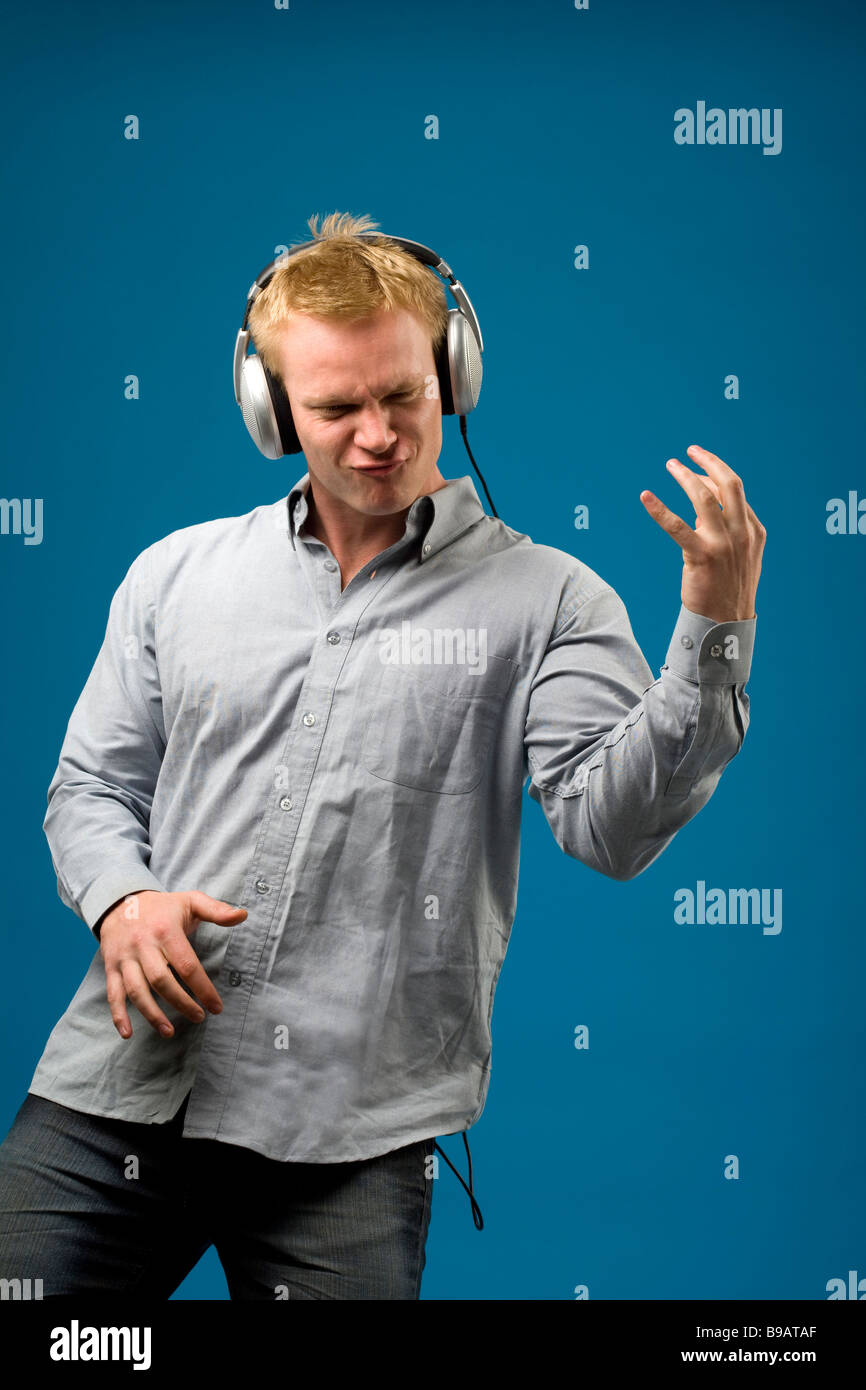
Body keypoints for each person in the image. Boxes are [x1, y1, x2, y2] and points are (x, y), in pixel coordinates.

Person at [0, 211, 765, 1301]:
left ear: (450, 375)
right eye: (335, 406)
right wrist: (122, 902)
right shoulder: (173, 575)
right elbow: (92, 786)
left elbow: (608, 829)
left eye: (403, 395)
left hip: (354, 1135)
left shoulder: (550, 599)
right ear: (270, 410)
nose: (377, 434)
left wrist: (713, 626)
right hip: (118, 1091)